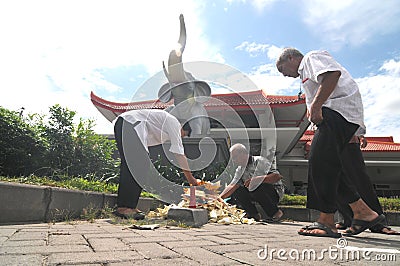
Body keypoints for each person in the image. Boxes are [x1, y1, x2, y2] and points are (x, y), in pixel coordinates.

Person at [276, 48, 384, 238]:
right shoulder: (305, 74)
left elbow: (333, 74)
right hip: (339, 116)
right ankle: (363, 212)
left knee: (320, 163)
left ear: (291, 58)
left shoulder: (310, 58)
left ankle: (327, 221)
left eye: (282, 68)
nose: (284, 74)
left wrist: (316, 106)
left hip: (336, 113)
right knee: (331, 167)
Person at [113, 109, 199, 219]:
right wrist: (191, 179)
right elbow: (179, 154)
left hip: (125, 124)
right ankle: (125, 207)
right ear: (182, 126)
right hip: (129, 124)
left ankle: (127, 206)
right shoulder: (174, 123)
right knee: (139, 166)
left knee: (133, 166)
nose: (181, 137)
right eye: (183, 134)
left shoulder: (163, 125)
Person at [336, 135, 399, 235]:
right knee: (335, 179)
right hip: (328, 138)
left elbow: (352, 118)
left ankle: (378, 223)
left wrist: (359, 134)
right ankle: (347, 219)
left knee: (359, 179)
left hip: (346, 136)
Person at [218, 143, 284, 221]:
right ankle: (253, 214)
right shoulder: (240, 169)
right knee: (237, 190)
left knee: (255, 186)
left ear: (243, 153)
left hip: (273, 192)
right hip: (254, 193)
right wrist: (219, 198)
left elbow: (277, 176)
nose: (234, 160)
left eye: (235, 157)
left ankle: (275, 213)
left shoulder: (259, 161)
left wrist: (258, 179)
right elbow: (233, 185)